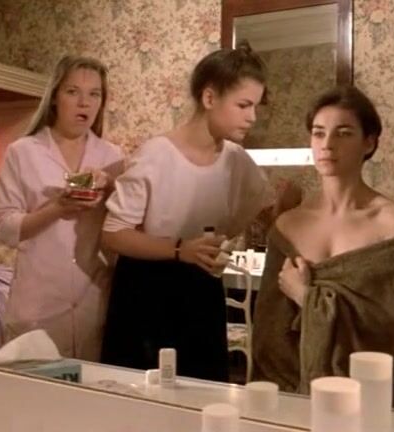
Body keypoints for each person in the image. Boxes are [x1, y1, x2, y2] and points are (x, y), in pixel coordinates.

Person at [99, 42, 286, 382]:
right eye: (243, 105)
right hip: (146, 290)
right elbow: (114, 234)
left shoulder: (236, 160)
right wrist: (179, 249)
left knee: (203, 390)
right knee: (142, 395)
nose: (253, 117)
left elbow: (258, 215)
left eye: (255, 106)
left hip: (201, 291)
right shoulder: (155, 155)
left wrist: (287, 207)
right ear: (210, 97)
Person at [251, 85, 394, 410]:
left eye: (343, 133)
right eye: (319, 133)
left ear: (369, 142)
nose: (327, 144)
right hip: (293, 395)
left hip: (369, 398)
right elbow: (269, 335)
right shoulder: (288, 225)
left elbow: (391, 332)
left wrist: (306, 297)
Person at [0, 55, 124, 361]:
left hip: (94, 299)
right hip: (38, 303)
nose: (84, 103)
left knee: (91, 385)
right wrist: (56, 209)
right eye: (73, 91)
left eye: (94, 94)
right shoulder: (23, 152)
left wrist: (111, 185)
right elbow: (3, 228)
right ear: (54, 97)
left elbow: (124, 225)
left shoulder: (112, 156)